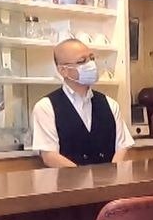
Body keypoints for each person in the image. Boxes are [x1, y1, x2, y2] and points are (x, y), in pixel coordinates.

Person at [31, 38, 135, 167]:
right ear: (63, 70)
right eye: (82, 61)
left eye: (92, 58)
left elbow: (122, 147)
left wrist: (111, 175)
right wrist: (84, 177)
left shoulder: (110, 104)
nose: (91, 64)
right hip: (68, 180)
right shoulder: (46, 107)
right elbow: (49, 156)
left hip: (110, 178)